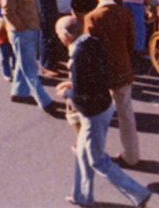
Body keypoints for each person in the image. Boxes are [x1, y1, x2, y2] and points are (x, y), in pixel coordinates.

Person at [54, 16, 151, 207]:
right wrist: (75, 84)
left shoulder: (76, 56)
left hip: (93, 115)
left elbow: (82, 94)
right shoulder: (93, 43)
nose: (58, 38)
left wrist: (66, 92)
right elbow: (93, 77)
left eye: (59, 34)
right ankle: (82, 196)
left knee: (97, 161)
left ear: (66, 35)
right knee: (82, 153)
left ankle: (139, 193)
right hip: (105, 105)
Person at [84, 0, 140, 167]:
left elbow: (89, 49)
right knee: (126, 114)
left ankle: (96, 153)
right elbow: (131, 42)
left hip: (101, 73)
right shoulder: (124, 13)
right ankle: (131, 156)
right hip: (122, 68)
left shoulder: (92, 18)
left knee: (98, 116)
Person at [1, 0, 57, 116]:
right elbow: (7, 10)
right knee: (31, 68)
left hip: (33, 26)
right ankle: (44, 101)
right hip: (22, 31)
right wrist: (21, 27)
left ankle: (19, 92)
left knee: (23, 62)